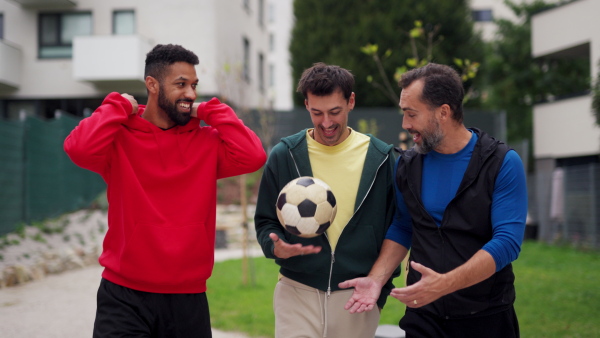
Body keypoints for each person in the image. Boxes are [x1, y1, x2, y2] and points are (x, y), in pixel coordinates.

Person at [64, 44, 266, 338]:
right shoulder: (118, 139)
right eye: (181, 85)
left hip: (188, 299)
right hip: (124, 296)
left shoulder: (206, 142)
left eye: (194, 85)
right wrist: (118, 105)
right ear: (152, 85)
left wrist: (210, 109)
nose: (191, 94)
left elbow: (253, 155)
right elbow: (78, 148)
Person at [340, 63, 528, 337]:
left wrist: (445, 284)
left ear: (443, 112)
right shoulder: (407, 165)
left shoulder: (501, 163)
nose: (405, 124)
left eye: (411, 114)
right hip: (423, 316)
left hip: (486, 316)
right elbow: (403, 227)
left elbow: (508, 242)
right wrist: (376, 279)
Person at [254, 62, 399, 338]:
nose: (326, 123)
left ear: (351, 102)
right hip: (296, 289)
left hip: (355, 296)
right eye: (316, 112)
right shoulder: (285, 155)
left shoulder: (381, 159)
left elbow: (398, 228)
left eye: (335, 112)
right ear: (306, 104)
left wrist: (380, 286)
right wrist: (275, 247)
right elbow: (265, 222)